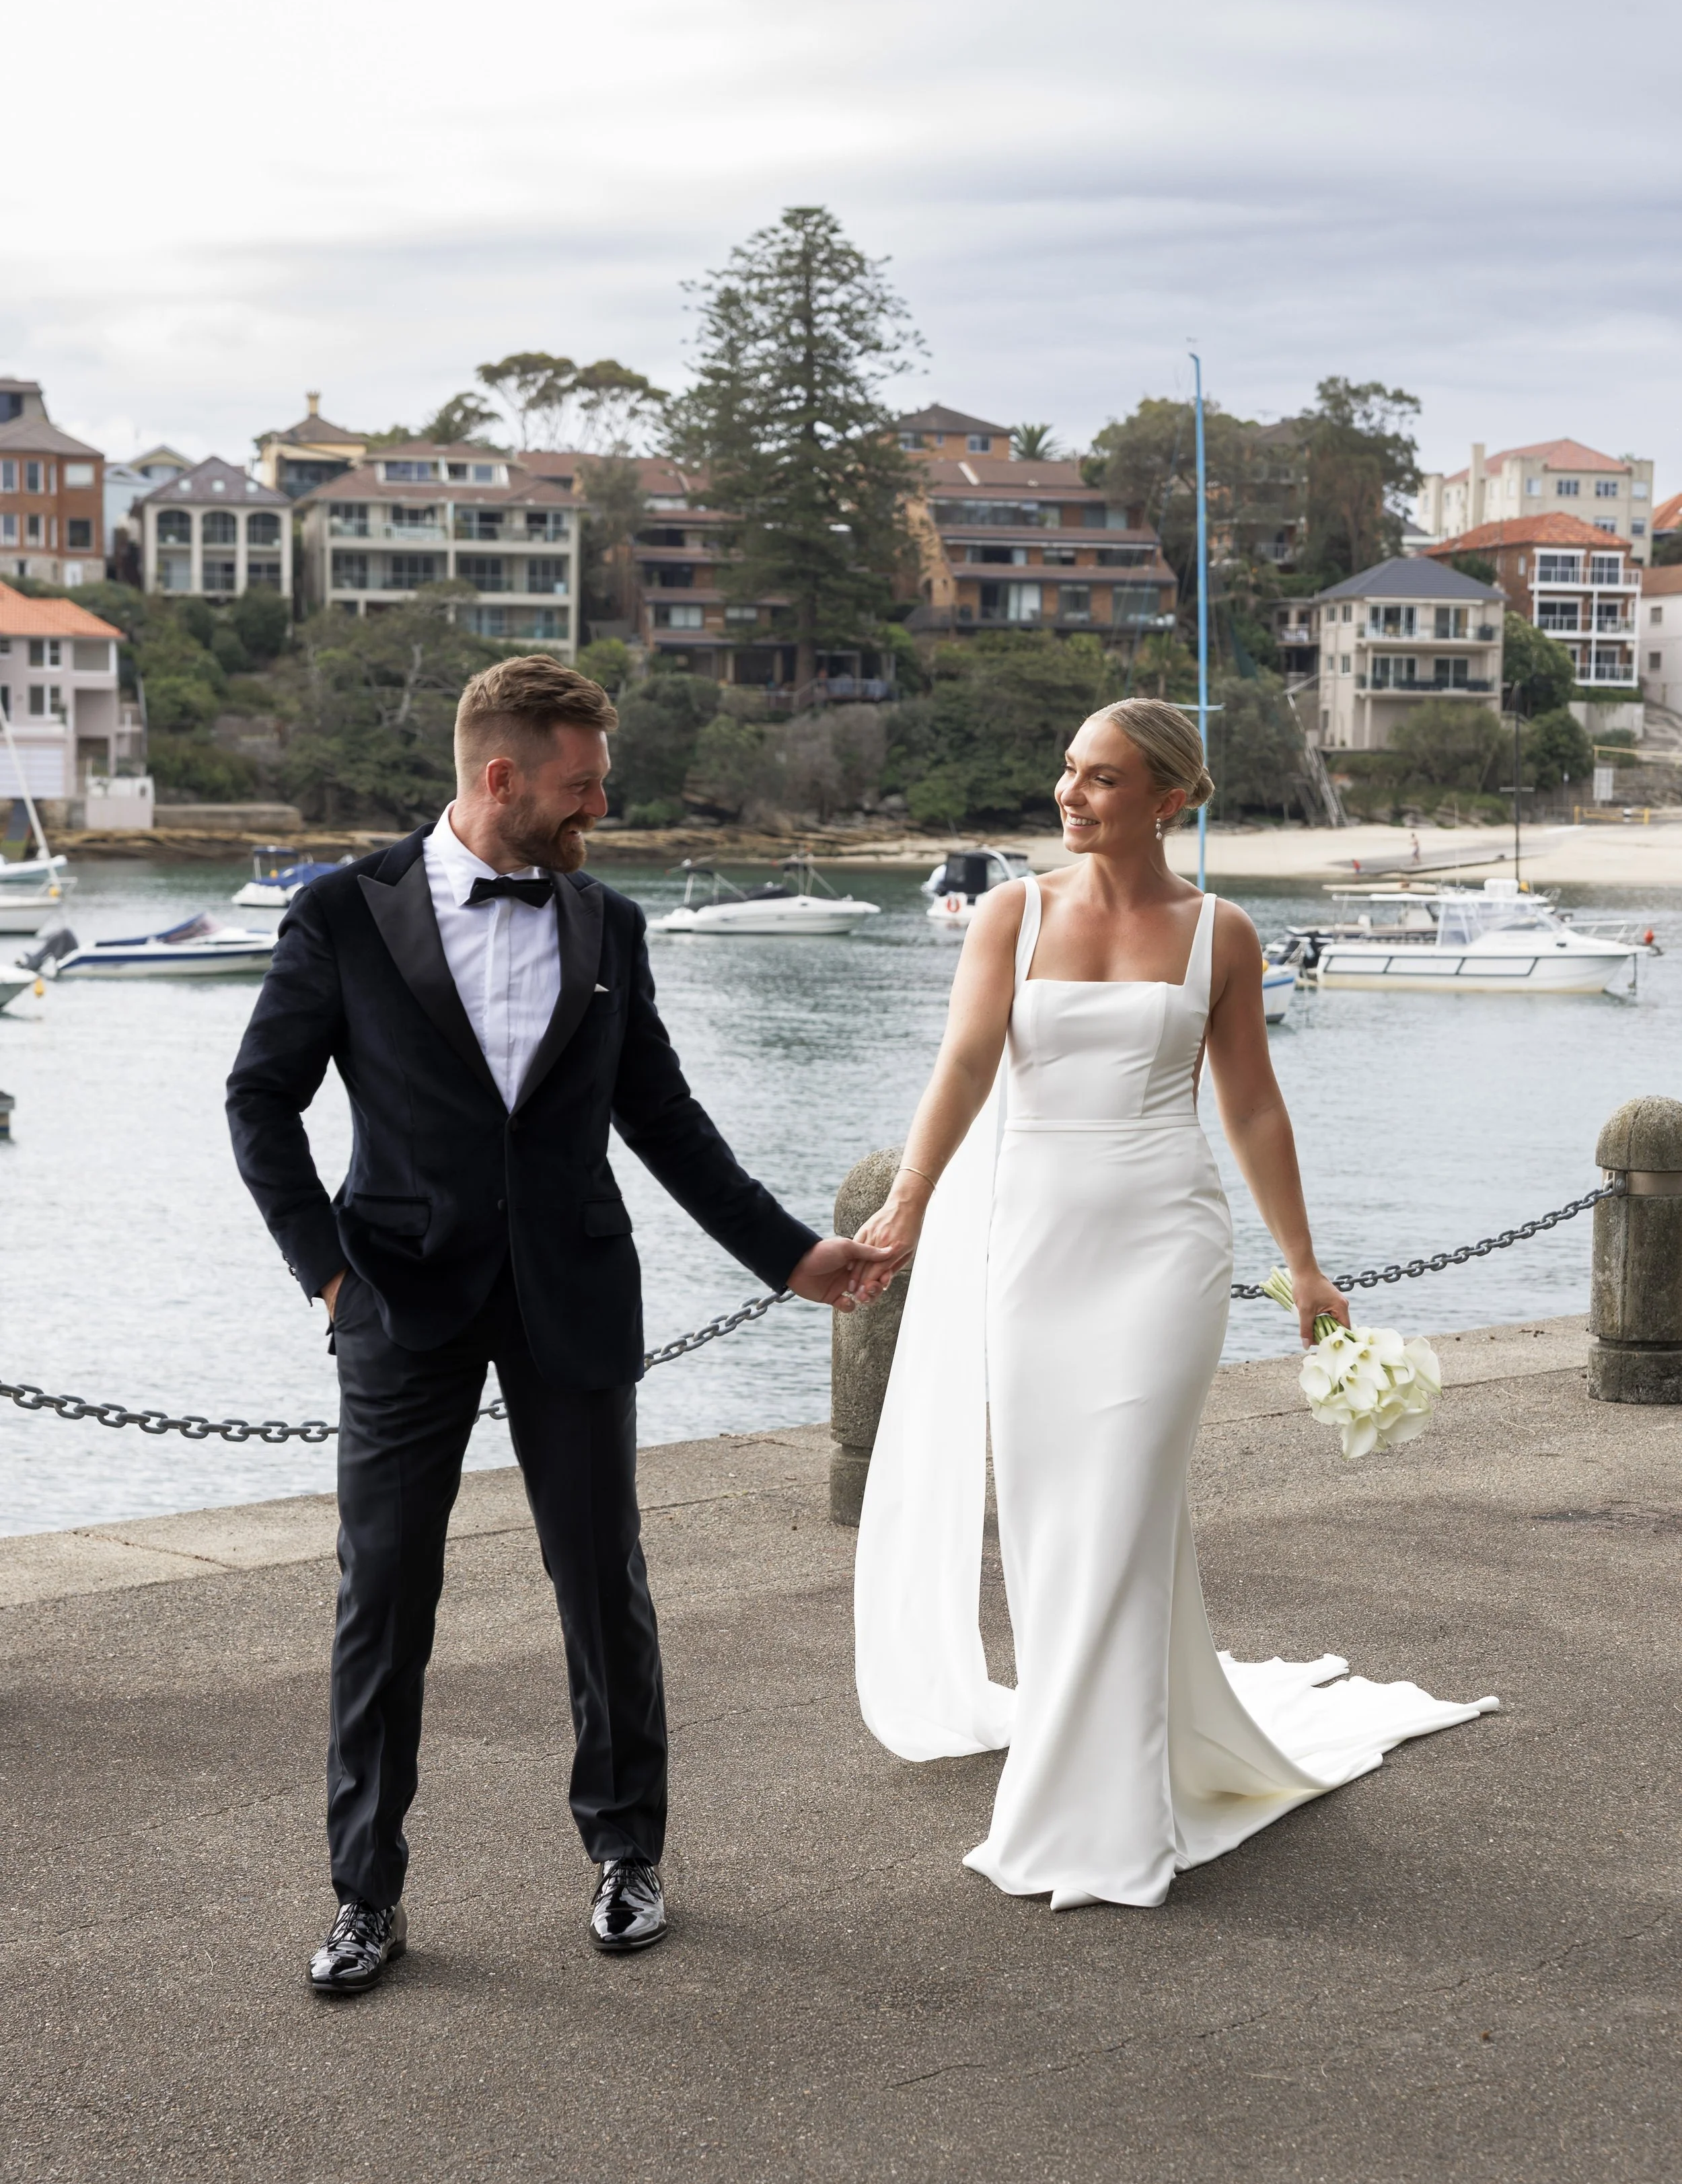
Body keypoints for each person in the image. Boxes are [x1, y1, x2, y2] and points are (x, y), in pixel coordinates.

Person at [227, 657, 891, 1990]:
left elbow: (663, 1121)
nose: (600, 808)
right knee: (383, 1598)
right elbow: (260, 1103)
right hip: (397, 1302)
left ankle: (627, 1854)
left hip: (574, 1296)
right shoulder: (344, 914)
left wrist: (791, 1258)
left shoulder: (609, 924)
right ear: (500, 777)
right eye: (581, 787)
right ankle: (365, 1894)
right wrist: (329, 1277)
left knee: (603, 1585)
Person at [851, 699, 1496, 1911]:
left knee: (1125, 1498)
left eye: (1100, 777)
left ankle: (1093, 1810)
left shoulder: (1223, 935)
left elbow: (1252, 1108)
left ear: (1170, 798)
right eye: (1066, 769)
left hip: (1165, 1247)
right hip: (1033, 1245)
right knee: (1053, 1515)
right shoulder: (1012, 911)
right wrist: (912, 1201)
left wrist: (1303, 1262)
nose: (1069, 792)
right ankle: (1097, 1752)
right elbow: (965, 1065)